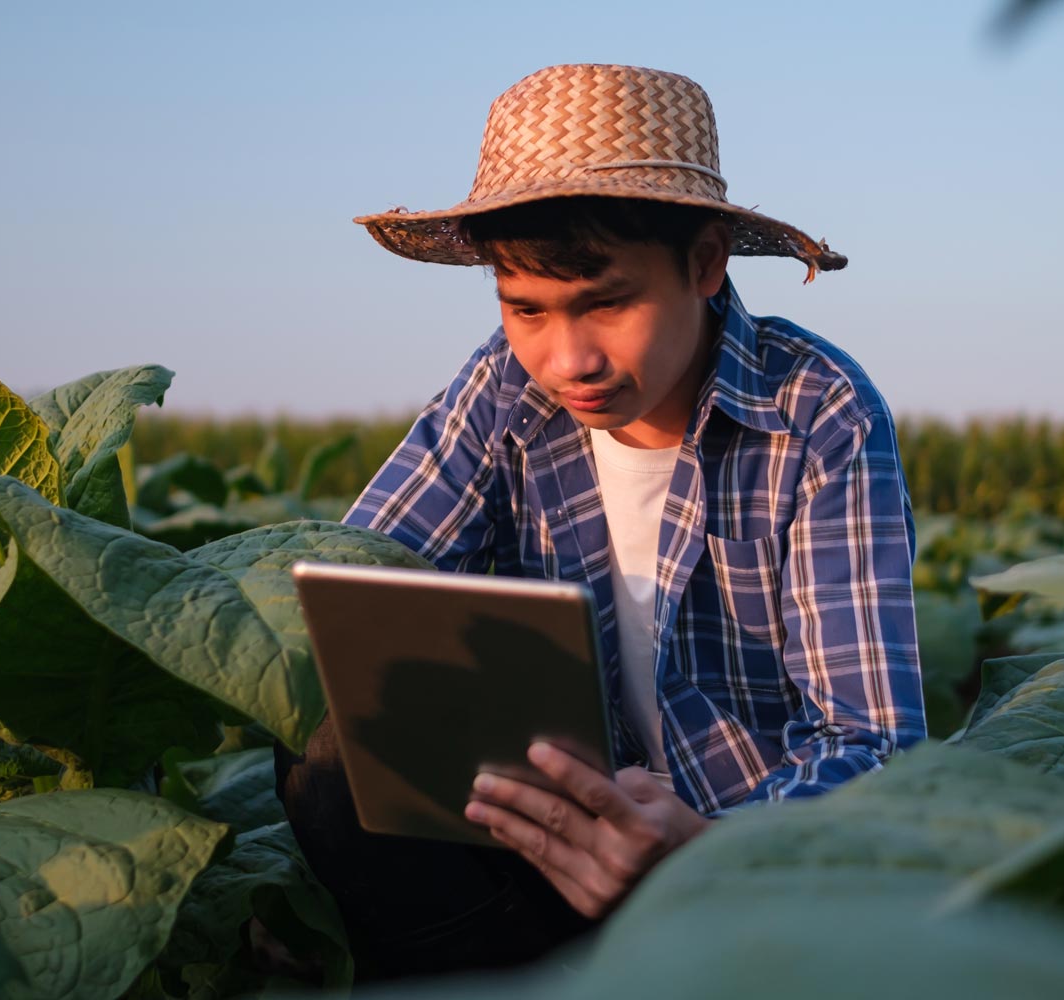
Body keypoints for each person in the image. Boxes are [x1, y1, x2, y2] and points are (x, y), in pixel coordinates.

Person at [273, 63, 925, 984]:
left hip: (742, 881)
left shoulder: (817, 410)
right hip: (537, 860)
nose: (566, 357)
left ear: (706, 263)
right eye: (525, 309)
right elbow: (361, 585)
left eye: (607, 302)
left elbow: (873, 744)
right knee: (332, 741)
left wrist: (708, 845)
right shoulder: (503, 384)